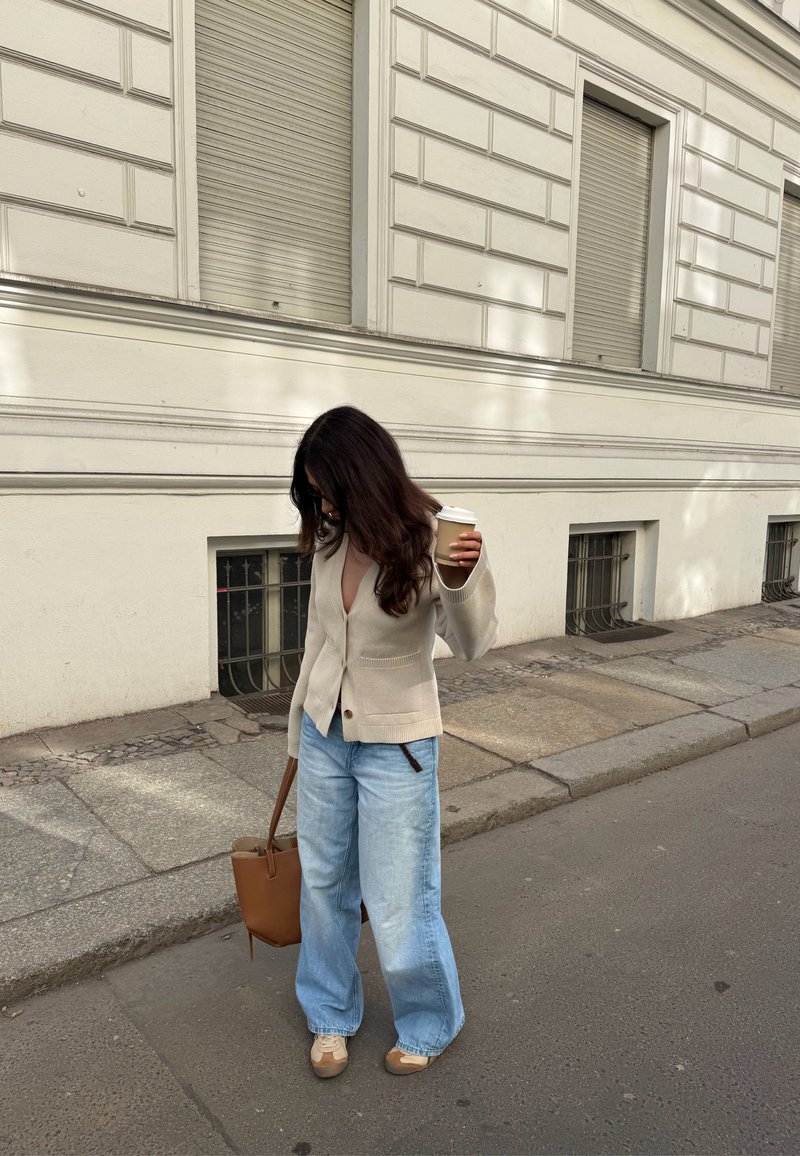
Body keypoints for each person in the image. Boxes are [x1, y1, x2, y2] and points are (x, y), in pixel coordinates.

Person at [287, 405, 498, 1078]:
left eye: (329, 488)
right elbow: (320, 642)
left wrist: (462, 580)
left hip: (396, 744)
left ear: (364, 475)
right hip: (325, 733)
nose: (321, 502)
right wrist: (297, 735)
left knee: (400, 890)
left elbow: (472, 645)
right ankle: (329, 1014)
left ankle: (430, 1021)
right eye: (314, 491)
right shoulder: (329, 538)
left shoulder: (433, 539)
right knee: (323, 882)